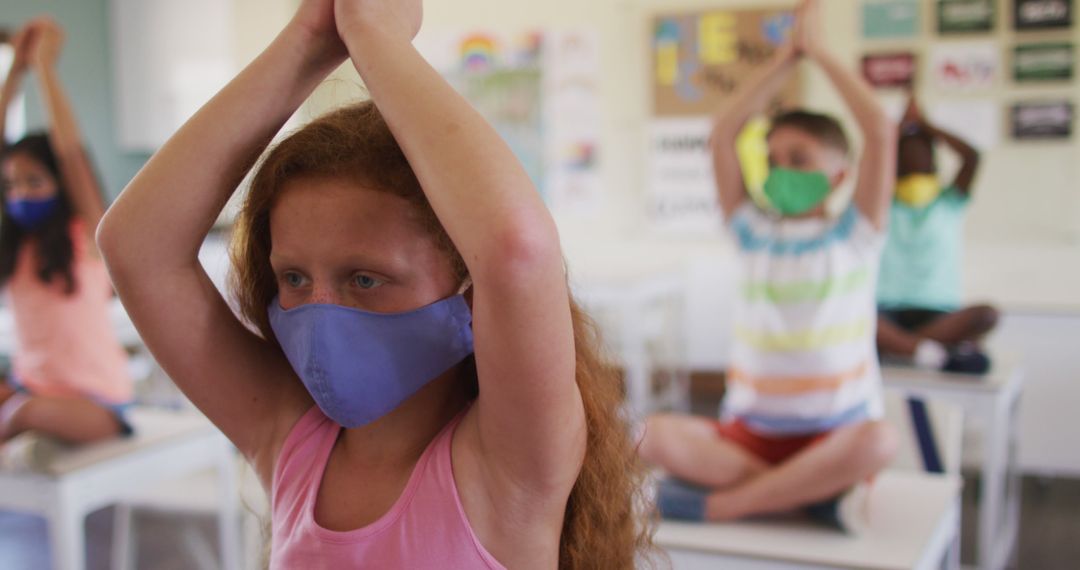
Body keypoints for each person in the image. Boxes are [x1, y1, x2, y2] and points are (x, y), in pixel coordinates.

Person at [97, 0, 649, 567]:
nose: (320, 310)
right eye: (293, 277)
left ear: (467, 283)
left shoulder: (508, 464)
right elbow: (136, 249)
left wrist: (374, 35)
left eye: (365, 278)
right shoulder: (290, 439)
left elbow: (517, 251)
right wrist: (309, 37)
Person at [639, 0, 898, 532]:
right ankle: (812, 500)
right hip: (750, 434)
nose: (782, 172)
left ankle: (725, 505)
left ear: (839, 174)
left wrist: (818, 54)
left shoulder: (856, 236)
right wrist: (782, 58)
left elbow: (878, 129)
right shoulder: (753, 232)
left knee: (881, 441)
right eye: (774, 161)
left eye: (799, 160)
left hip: (835, 435)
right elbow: (724, 132)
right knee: (650, 433)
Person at [0, 18, 133, 456]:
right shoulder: (16, 249)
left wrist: (43, 69)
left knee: (23, 413)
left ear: (59, 185)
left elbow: (71, 153)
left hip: (95, 403)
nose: (20, 193)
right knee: (21, 406)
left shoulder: (85, 239)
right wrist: (12, 74)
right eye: (12, 185)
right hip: (31, 385)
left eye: (34, 181)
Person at [876, 94, 998, 374]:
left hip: (940, 315)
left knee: (987, 315)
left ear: (933, 162)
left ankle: (908, 349)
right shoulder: (881, 205)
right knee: (853, 315)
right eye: (905, 158)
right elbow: (872, 159)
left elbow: (972, 156)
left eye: (920, 155)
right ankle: (934, 353)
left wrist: (925, 126)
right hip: (885, 312)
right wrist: (897, 131)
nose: (913, 162)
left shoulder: (948, 204)